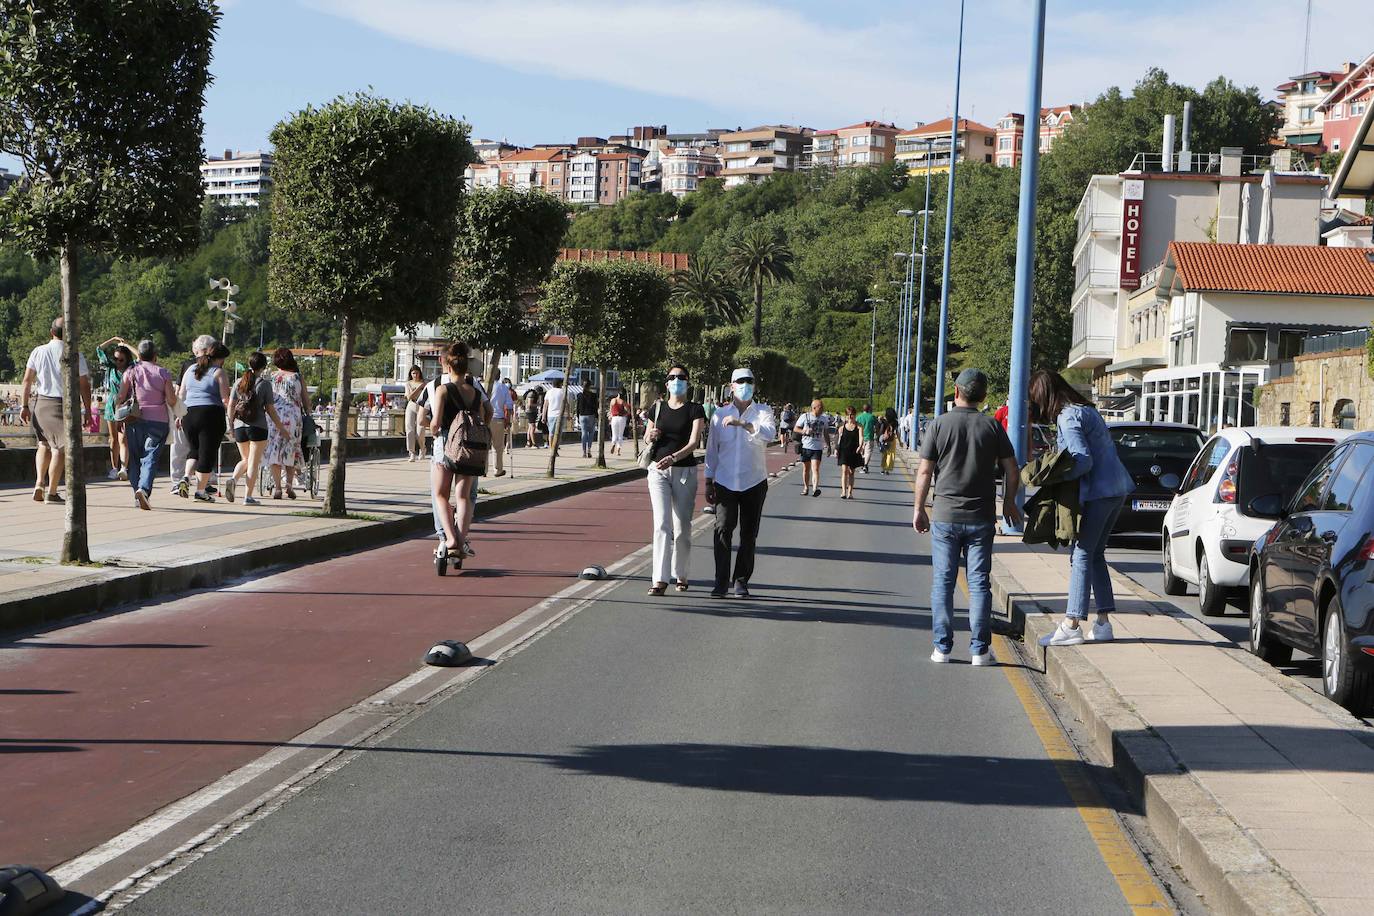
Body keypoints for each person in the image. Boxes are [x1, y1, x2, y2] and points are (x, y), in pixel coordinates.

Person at [913, 368, 1022, 666]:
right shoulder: (992, 426)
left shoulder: (938, 425)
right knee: (979, 584)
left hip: (945, 516)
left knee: (943, 582)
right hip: (981, 517)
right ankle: (979, 651)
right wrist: (1008, 503)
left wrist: (919, 508)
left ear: (957, 392)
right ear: (984, 396)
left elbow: (924, 471)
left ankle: (942, 649)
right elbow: (1012, 470)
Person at [1029, 369, 1134, 647]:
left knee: (1082, 554)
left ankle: (1072, 624)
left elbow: (1082, 459)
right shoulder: (1086, 410)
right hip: (1117, 488)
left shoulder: (1067, 416)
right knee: (1095, 554)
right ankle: (1103, 624)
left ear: (1045, 397)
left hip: (1098, 493)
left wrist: (1057, 477)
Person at [704, 368, 777, 599]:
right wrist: (708, 480)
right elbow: (712, 449)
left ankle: (741, 580)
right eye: (740, 381)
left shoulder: (763, 411)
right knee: (723, 529)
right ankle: (720, 582)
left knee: (749, 534)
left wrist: (743, 423)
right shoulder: (719, 414)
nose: (745, 385)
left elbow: (770, 434)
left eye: (749, 381)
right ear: (731, 386)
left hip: (754, 481)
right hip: (725, 481)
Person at [643, 364, 706, 595]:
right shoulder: (657, 408)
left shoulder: (695, 409)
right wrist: (650, 436)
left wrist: (674, 457)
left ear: (688, 382)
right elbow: (646, 437)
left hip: (684, 472)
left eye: (681, 377)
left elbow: (694, 442)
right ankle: (659, 579)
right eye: (672, 377)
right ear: (666, 383)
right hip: (657, 471)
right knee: (661, 524)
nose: (676, 380)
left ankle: (681, 574)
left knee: (682, 527)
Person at [429, 342, 491, 565]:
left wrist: (433, 430)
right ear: (466, 369)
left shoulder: (442, 390)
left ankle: (451, 539)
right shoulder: (474, 392)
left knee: (440, 495)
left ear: (448, 367)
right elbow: (484, 415)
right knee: (463, 497)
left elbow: (435, 423)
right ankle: (462, 540)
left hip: (446, 446)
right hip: (469, 448)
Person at [20, 317, 92, 504]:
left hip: (41, 403)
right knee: (60, 448)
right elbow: (84, 385)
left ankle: (39, 482)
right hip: (62, 404)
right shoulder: (75, 354)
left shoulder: (38, 351)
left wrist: (24, 406)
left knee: (43, 444)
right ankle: (52, 492)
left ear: (51, 332)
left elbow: (27, 380)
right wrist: (88, 410)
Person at [117, 339, 178, 510]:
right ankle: (143, 489)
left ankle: (138, 493)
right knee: (150, 457)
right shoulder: (163, 373)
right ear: (155, 356)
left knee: (135, 458)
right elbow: (172, 400)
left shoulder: (130, 371)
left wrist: (117, 416)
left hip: (134, 419)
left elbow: (121, 396)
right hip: (158, 421)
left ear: (139, 355)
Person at [225, 351, 288, 506]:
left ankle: (233, 479)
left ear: (249, 364)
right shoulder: (265, 384)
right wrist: (281, 428)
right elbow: (270, 410)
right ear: (264, 366)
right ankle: (248, 497)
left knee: (245, 460)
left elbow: (231, 405)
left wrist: (231, 424)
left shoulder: (238, 382)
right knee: (253, 462)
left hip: (240, 426)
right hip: (258, 427)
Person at [176, 342, 230, 502]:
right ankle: (200, 491)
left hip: (189, 414)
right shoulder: (219, 372)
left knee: (194, 450)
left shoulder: (190, 369)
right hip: (210, 414)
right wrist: (233, 415)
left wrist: (179, 415)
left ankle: (186, 477)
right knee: (207, 454)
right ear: (220, 358)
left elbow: (181, 394)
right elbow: (225, 399)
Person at [265, 347, 307, 499]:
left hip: (274, 415)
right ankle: (289, 484)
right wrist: (309, 415)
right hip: (293, 416)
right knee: (291, 450)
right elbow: (305, 399)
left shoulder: (272, 376)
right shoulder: (297, 377)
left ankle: (277, 487)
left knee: (274, 450)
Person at [96, 337, 136, 481]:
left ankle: (124, 468)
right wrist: (112, 340)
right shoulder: (111, 367)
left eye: (121, 360)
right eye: (116, 359)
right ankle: (114, 467)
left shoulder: (131, 368)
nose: (118, 362)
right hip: (112, 404)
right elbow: (99, 349)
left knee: (123, 438)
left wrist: (126, 345)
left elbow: (140, 356)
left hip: (125, 404)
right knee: (113, 438)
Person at [793, 399, 831, 497]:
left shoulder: (824, 419)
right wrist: (804, 431)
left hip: (817, 447)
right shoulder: (805, 416)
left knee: (815, 468)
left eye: (822, 407)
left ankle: (815, 488)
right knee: (806, 469)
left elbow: (826, 433)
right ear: (814, 408)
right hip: (806, 446)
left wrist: (829, 446)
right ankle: (806, 487)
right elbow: (796, 428)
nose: (822, 409)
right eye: (820, 407)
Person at [489, 376, 515, 476]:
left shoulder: (484, 385)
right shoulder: (503, 387)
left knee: (484, 445)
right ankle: (497, 469)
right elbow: (509, 405)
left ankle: (483, 470)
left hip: (485, 418)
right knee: (497, 446)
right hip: (498, 418)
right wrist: (507, 421)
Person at [835, 406, 863, 499]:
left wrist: (860, 446)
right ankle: (843, 491)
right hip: (844, 450)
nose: (850, 417)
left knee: (851, 472)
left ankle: (850, 492)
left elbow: (861, 437)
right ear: (846, 415)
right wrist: (836, 449)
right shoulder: (842, 427)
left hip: (854, 450)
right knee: (844, 471)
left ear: (855, 415)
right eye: (848, 415)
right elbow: (838, 439)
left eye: (852, 415)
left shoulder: (859, 426)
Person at [404, 366, 427, 462]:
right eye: (413, 373)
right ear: (411, 374)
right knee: (409, 429)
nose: (415, 375)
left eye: (417, 373)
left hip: (421, 406)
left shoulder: (424, 384)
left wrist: (422, 386)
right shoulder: (408, 384)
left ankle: (422, 448)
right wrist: (419, 388)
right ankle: (411, 452)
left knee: (420, 431)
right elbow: (409, 396)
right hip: (411, 405)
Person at [575, 378, 598, 459]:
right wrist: (597, 416)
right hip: (591, 415)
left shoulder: (579, 395)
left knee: (584, 433)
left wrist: (577, 416)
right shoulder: (593, 395)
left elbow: (577, 407)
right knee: (591, 433)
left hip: (582, 416)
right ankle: (589, 450)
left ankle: (584, 452)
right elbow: (596, 407)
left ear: (582, 385)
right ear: (590, 386)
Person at [541, 378, 566, 450]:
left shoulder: (549, 392)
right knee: (558, 433)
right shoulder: (562, 392)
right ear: (560, 384)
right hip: (560, 415)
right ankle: (556, 447)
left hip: (551, 415)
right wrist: (568, 414)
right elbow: (566, 403)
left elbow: (545, 405)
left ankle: (551, 448)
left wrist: (543, 416)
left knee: (551, 433)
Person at [607, 389, 630, 456]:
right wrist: (625, 414)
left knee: (614, 434)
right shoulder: (622, 401)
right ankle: (618, 450)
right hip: (621, 418)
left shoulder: (612, 400)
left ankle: (613, 443)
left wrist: (611, 416)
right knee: (620, 434)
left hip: (614, 418)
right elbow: (628, 411)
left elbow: (610, 410)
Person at [855, 403, 876, 473]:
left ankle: (862, 464)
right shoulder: (872, 417)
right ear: (869, 409)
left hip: (860, 437)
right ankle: (865, 465)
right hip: (869, 437)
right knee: (868, 452)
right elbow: (877, 426)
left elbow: (855, 427)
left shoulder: (858, 417)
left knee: (861, 452)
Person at [878, 407, 899, 475]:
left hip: (884, 440)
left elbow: (881, 429)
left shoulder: (884, 421)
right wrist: (900, 441)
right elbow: (897, 432)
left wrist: (879, 439)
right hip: (892, 439)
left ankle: (883, 469)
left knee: (884, 454)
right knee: (890, 454)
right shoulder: (895, 422)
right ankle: (887, 469)